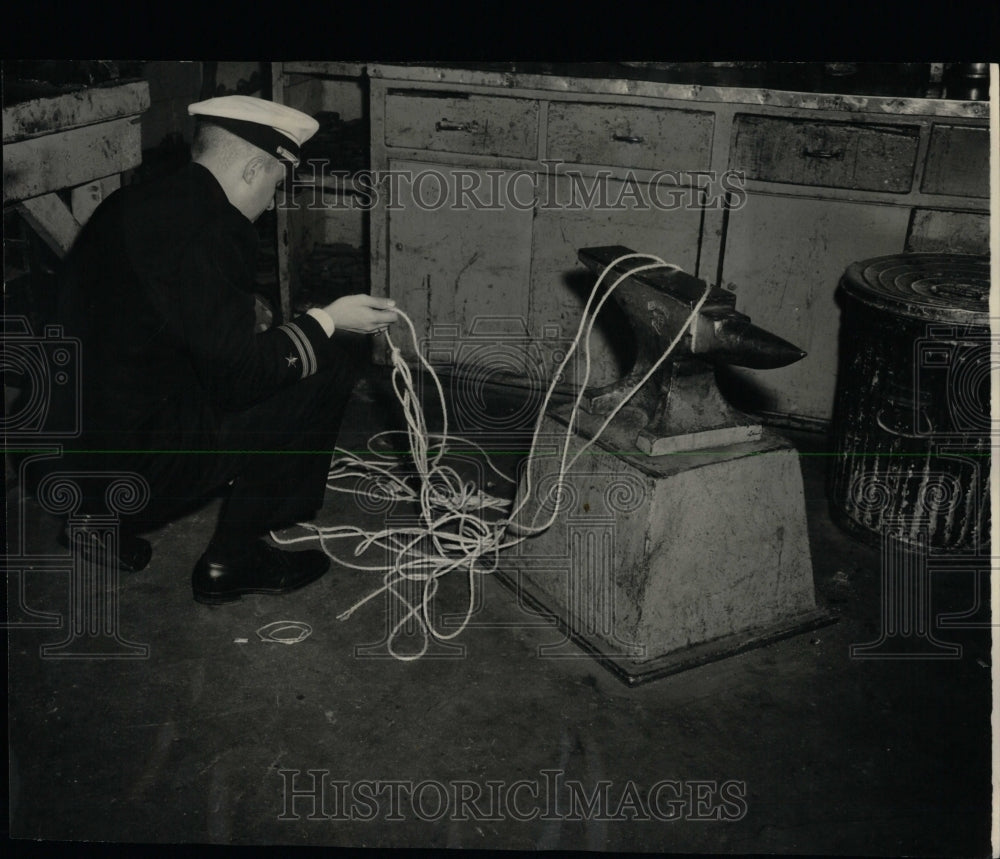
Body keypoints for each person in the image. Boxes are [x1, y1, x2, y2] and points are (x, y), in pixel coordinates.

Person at [55, 95, 398, 604]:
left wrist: (241, 317)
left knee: (261, 349)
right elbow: (238, 383)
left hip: (64, 450)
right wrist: (327, 319)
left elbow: (138, 317)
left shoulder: (133, 201)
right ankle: (232, 557)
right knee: (326, 358)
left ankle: (97, 517)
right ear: (254, 167)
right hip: (134, 471)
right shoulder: (219, 230)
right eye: (276, 184)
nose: (272, 201)